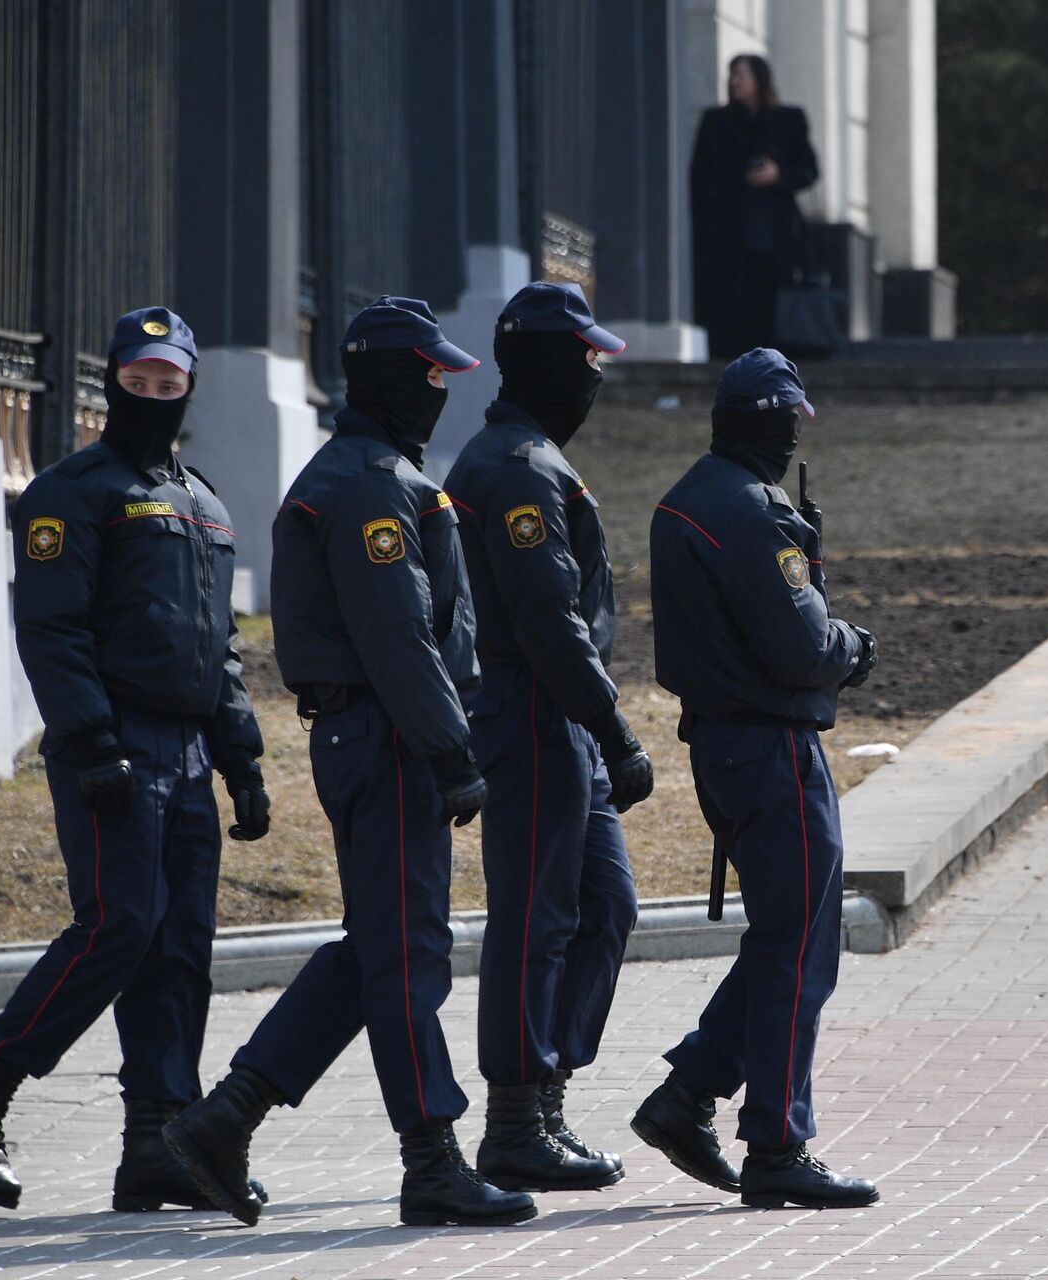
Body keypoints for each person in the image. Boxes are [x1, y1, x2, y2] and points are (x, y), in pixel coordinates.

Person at [162, 297, 536, 1229]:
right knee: (407, 954)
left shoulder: (383, 473)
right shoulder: (372, 483)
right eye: (433, 374)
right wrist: (451, 750)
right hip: (389, 735)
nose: (443, 389)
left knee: (379, 947)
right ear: (394, 379)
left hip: (378, 731)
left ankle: (226, 1116)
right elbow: (399, 636)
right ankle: (432, 1159)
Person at [0, 306, 272, 1213]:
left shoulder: (205, 502)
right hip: (115, 746)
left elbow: (219, 647)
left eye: (169, 382)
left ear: (188, 386)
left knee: (180, 946)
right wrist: (92, 741)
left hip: (189, 752)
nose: (152, 394)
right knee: (119, 925)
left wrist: (242, 759)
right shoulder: (73, 492)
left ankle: (159, 1144)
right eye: (138, 379)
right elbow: (52, 630)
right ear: (110, 381)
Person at [633, 348, 880, 1210]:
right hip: (773, 748)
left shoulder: (686, 501)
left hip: (725, 746)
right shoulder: (751, 512)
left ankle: (688, 1093)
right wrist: (856, 644)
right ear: (778, 420)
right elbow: (804, 644)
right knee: (799, 952)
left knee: (786, 937)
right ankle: (777, 1141)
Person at [443, 281, 652, 1193]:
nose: (596, 375)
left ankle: (548, 1095)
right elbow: (546, 620)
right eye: (587, 359)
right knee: (534, 918)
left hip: (559, 713)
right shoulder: (518, 468)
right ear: (551, 363)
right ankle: (514, 1121)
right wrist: (612, 725)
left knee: (604, 907)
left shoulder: (534, 459)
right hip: (531, 713)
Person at [690, 54, 819, 358]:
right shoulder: (716, 122)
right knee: (729, 298)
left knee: (769, 297)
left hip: (773, 228)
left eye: (742, 75)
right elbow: (700, 176)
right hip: (728, 226)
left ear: (759, 79)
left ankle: (772, 360)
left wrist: (779, 174)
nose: (735, 82)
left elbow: (808, 170)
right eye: (732, 75)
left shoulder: (788, 120)